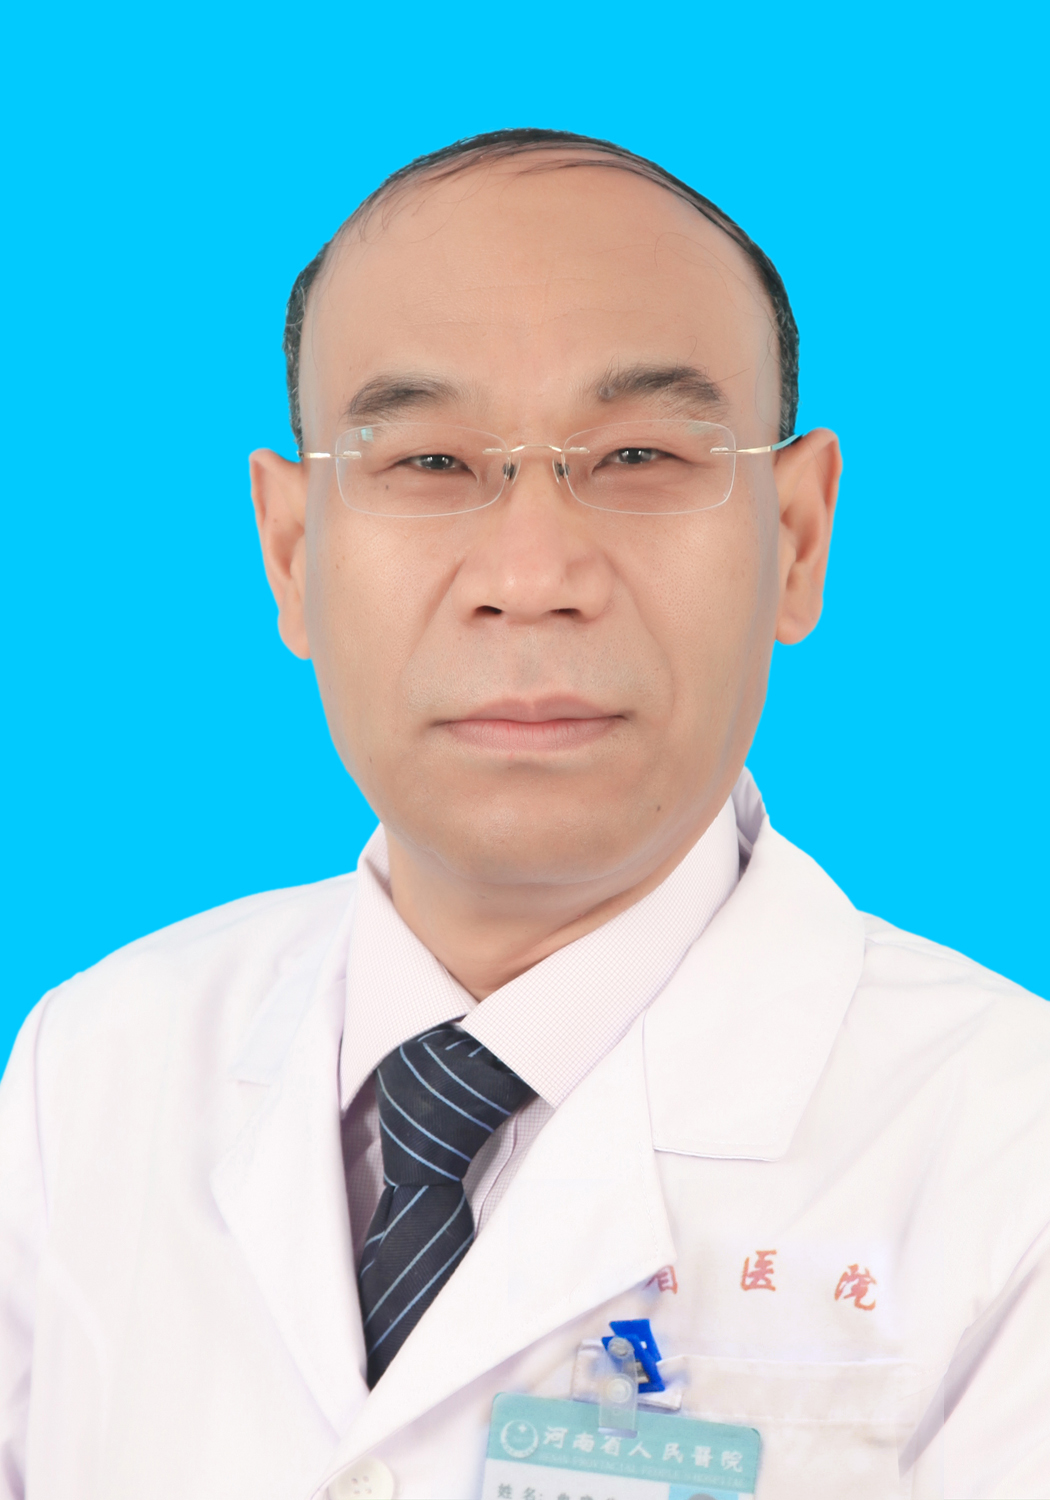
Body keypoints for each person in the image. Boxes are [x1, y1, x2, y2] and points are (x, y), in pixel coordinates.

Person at [0, 128, 1047, 1500]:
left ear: (795, 538)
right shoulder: (93, 1071)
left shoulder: (1008, 1151)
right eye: (430, 463)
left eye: (639, 454)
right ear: (293, 552)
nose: (533, 573)